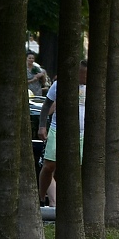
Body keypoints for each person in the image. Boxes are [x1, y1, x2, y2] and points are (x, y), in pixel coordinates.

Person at [37, 59, 87, 207]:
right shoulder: (59, 85)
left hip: (82, 132)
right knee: (49, 166)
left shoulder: (93, 87)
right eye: (83, 75)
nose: (85, 78)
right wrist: (42, 126)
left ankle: (70, 201)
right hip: (57, 128)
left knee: (76, 168)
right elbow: (46, 105)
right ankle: (41, 196)